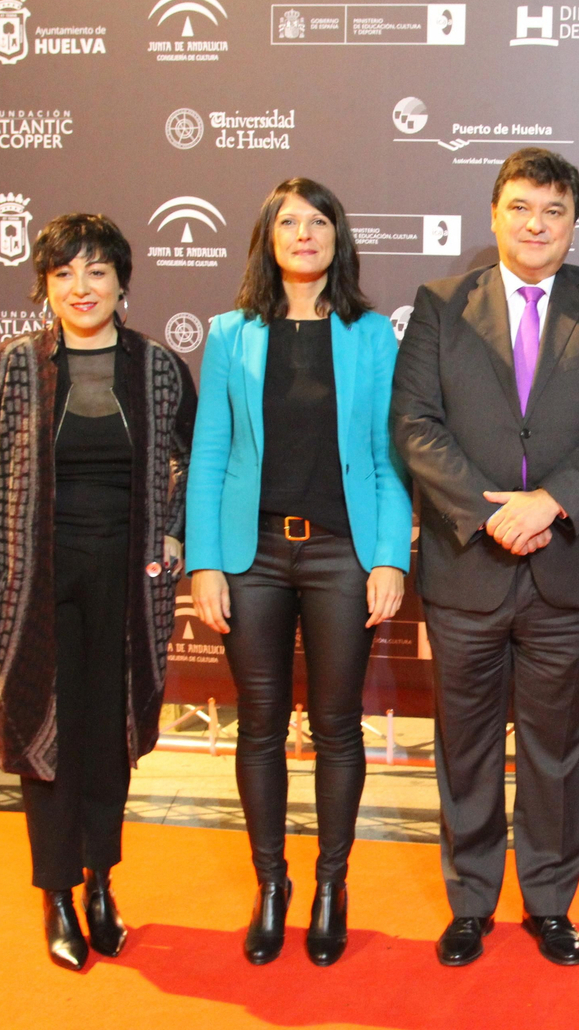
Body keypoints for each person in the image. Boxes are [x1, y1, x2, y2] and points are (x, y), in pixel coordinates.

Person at [392, 147, 579, 968]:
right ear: (494, 214)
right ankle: (470, 900)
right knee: (463, 743)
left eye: (553, 211)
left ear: (575, 222)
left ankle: (548, 901)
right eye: (521, 208)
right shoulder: (439, 305)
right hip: (468, 566)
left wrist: (553, 502)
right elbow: (415, 425)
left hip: (568, 567)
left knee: (555, 747)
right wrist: (485, 513)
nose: (536, 224)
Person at [0, 213, 196, 971]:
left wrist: (176, 533)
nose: (80, 288)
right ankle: (55, 893)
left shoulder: (159, 368)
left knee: (107, 735)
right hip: (32, 583)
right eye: (64, 274)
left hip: (128, 585)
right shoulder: (12, 365)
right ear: (45, 285)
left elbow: (193, 465)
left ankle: (100, 885)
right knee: (44, 737)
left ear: (123, 280)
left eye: (96, 271)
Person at [185, 178, 411, 968]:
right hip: (251, 558)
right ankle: (272, 885)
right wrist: (205, 562)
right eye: (290, 222)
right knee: (260, 725)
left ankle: (330, 886)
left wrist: (390, 557)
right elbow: (209, 453)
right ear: (268, 237)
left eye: (320, 222)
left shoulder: (372, 334)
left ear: (339, 238)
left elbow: (388, 459)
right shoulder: (229, 334)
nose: (305, 234)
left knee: (338, 726)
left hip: (341, 556)